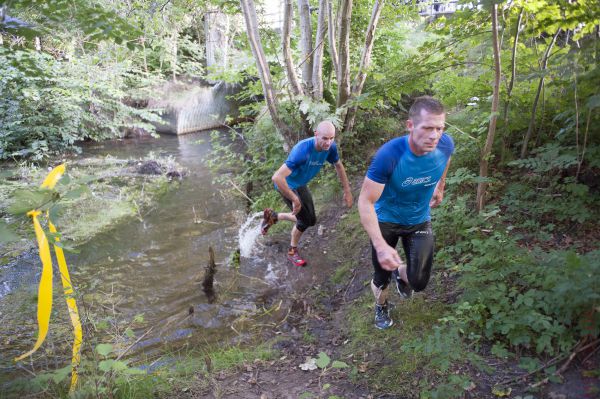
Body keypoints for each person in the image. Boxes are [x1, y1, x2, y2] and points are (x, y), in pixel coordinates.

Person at [357, 96, 454, 329]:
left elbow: (446, 161)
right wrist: (381, 246)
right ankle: (381, 306)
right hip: (386, 221)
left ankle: (401, 274)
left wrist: (440, 187)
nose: (434, 135)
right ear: (410, 126)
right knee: (381, 277)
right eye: (428, 128)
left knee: (419, 282)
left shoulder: (445, 144)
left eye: (439, 128)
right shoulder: (389, 155)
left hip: (419, 220)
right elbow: (365, 201)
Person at [261, 121, 353, 267]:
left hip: (300, 184)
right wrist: (294, 199)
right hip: (286, 185)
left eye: (331, 138)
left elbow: (339, 166)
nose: (328, 142)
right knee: (304, 221)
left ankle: (274, 216)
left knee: (311, 220)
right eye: (324, 138)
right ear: (316, 134)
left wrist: (347, 191)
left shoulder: (330, 148)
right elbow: (277, 177)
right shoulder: (302, 150)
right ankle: (292, 252)